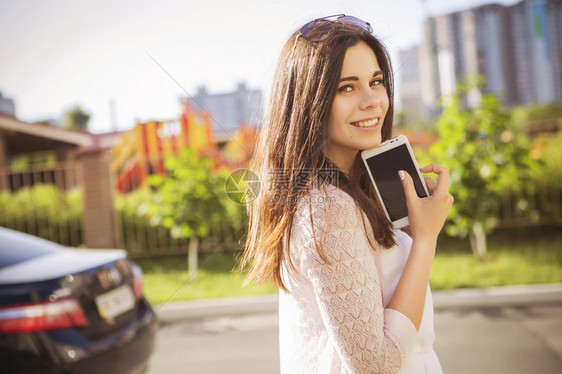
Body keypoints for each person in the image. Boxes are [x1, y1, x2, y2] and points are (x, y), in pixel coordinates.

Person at [241, 14, 454, 374]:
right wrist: (426, 241)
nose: (373, 100)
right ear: (309, 103)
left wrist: (413, 230)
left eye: (376, 81)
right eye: (347, 87)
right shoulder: (328, 208)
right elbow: (374, 365)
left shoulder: (346, 190)